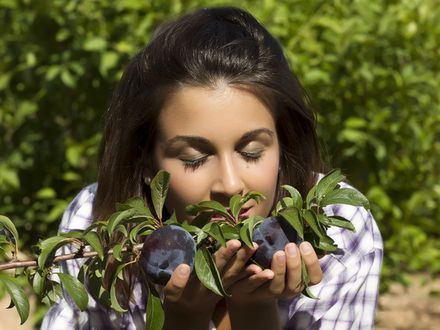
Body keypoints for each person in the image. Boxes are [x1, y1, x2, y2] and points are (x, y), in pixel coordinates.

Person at [41, 6, 383, 330]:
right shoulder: (96, 227)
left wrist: (255, 310)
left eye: (251, 152)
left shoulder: (334, 228)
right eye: (194, 158)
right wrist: (183, 318)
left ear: (282, 143)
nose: (231, 185)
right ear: (146, 160)